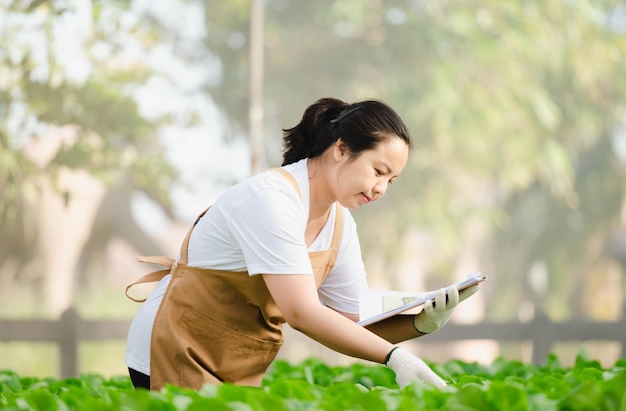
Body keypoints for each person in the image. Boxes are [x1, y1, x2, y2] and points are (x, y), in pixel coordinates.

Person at [124, 97, 478, 391]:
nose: (381, 188)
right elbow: (302, 312)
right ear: (341, 149)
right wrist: (395, 358)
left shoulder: (340, 223)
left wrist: (420, 322)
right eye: (378, 171)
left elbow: (354, 320)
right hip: (173, 347)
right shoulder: (271, 199)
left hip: (234, 358)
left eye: (392, 180)